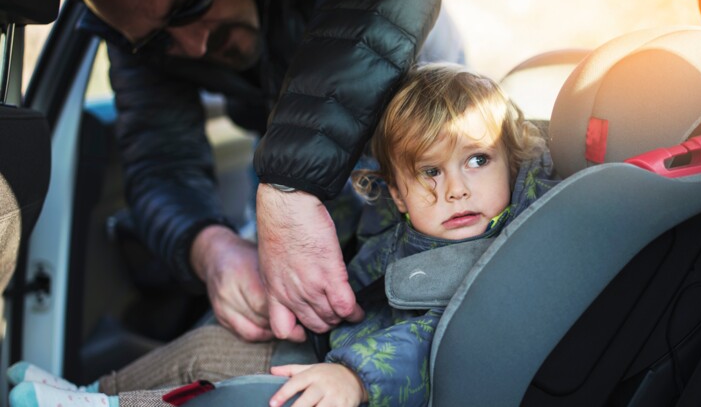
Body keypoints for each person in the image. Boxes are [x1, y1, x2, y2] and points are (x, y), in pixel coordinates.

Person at [8, 63, 559, 407]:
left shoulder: (499, 252)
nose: (455, 191)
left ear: (512, 162)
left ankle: (105, 404)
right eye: (430, 172)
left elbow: (439, 340)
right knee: (213, 345)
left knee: (224, 376)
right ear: (396, 194)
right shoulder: (406, 229)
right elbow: (363, 265)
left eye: (478, 160)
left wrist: (357, 380)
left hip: (376, 382)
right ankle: (95, 396)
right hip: (331, 348)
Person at [71, 0, 465, 342]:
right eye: (158, 40)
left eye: (192, 4)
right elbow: (161, 159)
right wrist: (212, 251)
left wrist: (289, 184)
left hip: (412, 106)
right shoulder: (135, 34)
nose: (193, 45)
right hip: (280, 153)